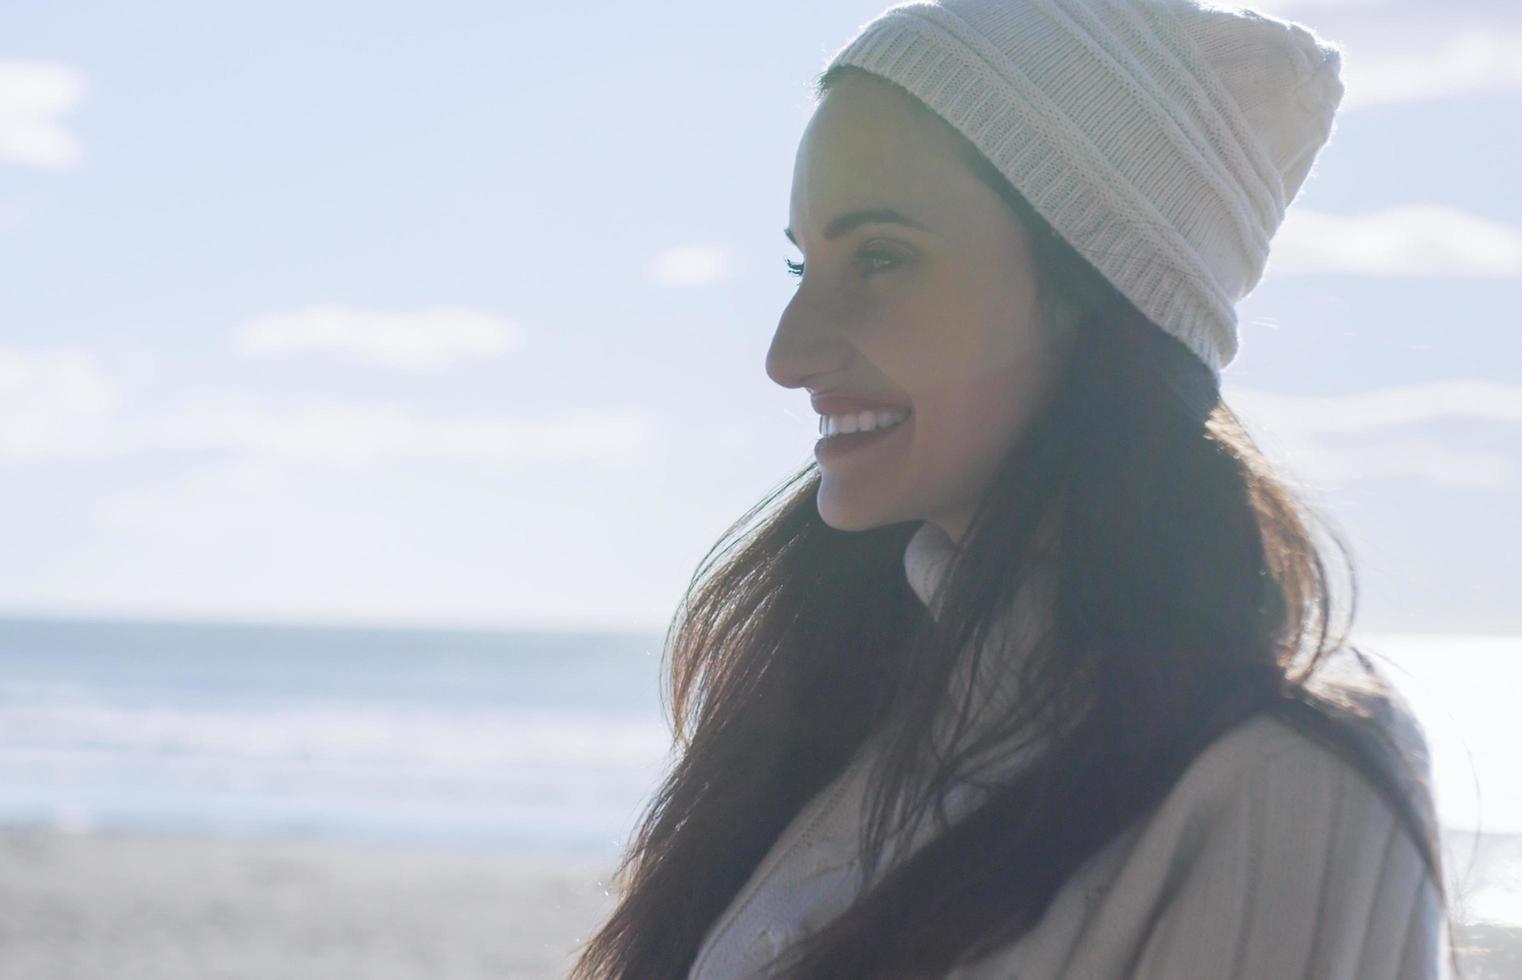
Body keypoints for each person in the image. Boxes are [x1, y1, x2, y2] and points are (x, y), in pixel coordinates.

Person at [569, 1, 1457, 978]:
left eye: (880, 258)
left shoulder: (1285, 787)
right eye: (802, 262)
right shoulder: (840, 719)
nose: (787, 354)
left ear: (1098, 293)